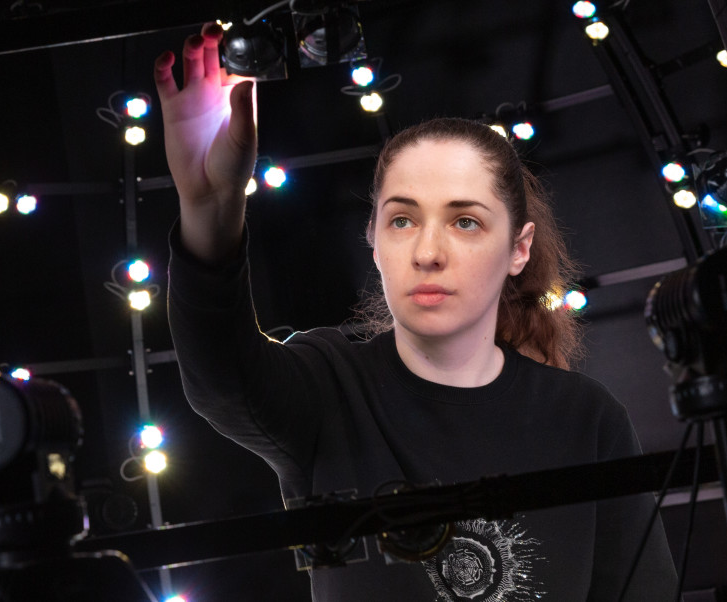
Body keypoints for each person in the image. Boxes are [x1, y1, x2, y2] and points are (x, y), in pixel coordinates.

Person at [155, 22, 676, 602]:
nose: (428, 253)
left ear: (519, 249)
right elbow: (220, 380)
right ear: (374, 240)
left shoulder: (588, 419)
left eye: (465, 222)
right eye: (402, 220)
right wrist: (210, 206)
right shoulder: (330, 386)